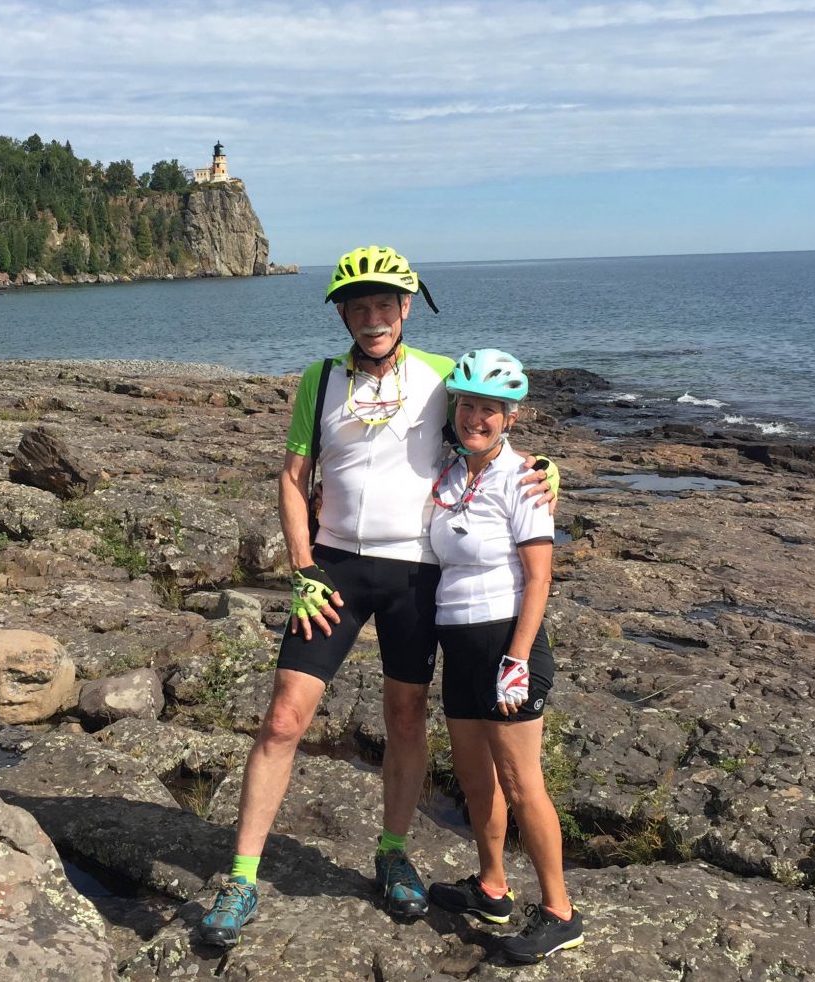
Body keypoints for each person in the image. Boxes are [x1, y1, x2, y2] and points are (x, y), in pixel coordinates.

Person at [198, 246, 558, 948]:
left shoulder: (438, 377)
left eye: (384, 304)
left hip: (415, 573)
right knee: (283, 720)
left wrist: (543, 469)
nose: (372, 318)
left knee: (406, 716)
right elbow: (292, 477)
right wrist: (302, 566)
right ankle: (240, 878)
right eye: (357, 306)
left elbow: (486, 429)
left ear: (405, 308)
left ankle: (393, 852)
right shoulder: (319, 381)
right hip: (332, 569)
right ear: (342, 315)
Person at [426, 349, 583, 964]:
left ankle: (560, 912)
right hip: (458, 643)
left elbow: (539, 578)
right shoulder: (447, 473)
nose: (476, 418)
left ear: (510, 417)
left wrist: (516, 659)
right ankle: (492, 888)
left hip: (506, 647)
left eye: (490, 409)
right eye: (468, 405)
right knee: (475, 779)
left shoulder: (525, 479)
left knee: (522, 783)